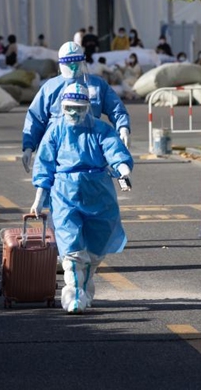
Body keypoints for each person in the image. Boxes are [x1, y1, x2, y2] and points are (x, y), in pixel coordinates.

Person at [30, 83, 133, 314]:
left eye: (78, 108)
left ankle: (85, 287)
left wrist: (123, 170)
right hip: (65, 193)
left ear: (87, 107)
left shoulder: (101, 129)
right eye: (69, 108)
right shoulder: (55, 131)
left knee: (96, 248)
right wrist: (39, 197)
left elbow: (114, 150)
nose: (73, 113)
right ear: (62, 107)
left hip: (98, 193)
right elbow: (45, 165)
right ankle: (73, 295)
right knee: (72, 249)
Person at [22, 41, 131, 173]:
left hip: (90, 147)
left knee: (93, 180)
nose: (73, 67)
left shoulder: (97, 85)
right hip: (57, 149)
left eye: (76, 62)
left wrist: (123, 127)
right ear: (61, 64)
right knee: (56, 182)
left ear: (83, 61)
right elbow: (36, 117)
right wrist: (29, 146)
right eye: (69, 63)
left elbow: (115, 108)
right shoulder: (50, 88)